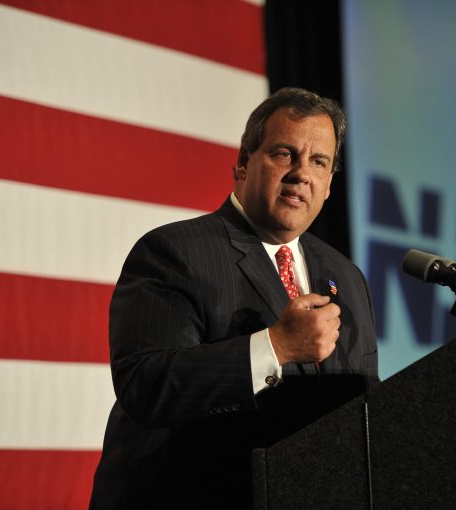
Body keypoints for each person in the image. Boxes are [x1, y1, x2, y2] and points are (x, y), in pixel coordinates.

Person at [89, 87, 378, 508]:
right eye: (284, 154)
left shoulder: (347, 277)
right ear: (243, 163)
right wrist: (276, 347)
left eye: (319, 162)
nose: (302, 173)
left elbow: (366, 406)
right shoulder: (174, 251)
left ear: (330, 184)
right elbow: (145, 386)